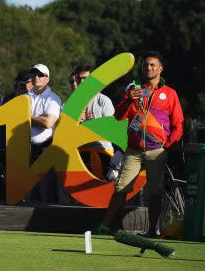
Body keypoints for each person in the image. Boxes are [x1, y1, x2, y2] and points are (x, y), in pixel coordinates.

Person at [97, 52, 184, 237]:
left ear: (160, 69)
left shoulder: (170, 94)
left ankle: (152, 230)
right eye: (146, 65)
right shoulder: (135, 91)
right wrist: (128, 98)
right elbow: (118, 116)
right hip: (134, 151)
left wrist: (167, 146)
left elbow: (178, 125)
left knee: (155, 192)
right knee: (121, 188)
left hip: (156, 152)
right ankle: (105, 226)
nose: (149, 68)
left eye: (153, 65)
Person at [68, 65, 116, 180]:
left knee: (101, 189)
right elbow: (64, 132)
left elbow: (110, 130)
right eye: (80, 78)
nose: (82, 81)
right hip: (80, 152)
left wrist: (82, 127)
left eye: (86, 78)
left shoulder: (103, 100)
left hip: (102, 150)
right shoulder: (72, 103)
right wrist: (74, 121)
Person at [27, 63, 64, 203]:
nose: (36, 77)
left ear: (47, 79)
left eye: (40, 74)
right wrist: (39, 119)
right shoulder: (25, 97)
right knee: (30, 191)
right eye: (34, 74)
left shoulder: (53, 98)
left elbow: (48, 123)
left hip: (45, 148)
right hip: (26, 148)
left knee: (46, 191)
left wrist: (27, 117)